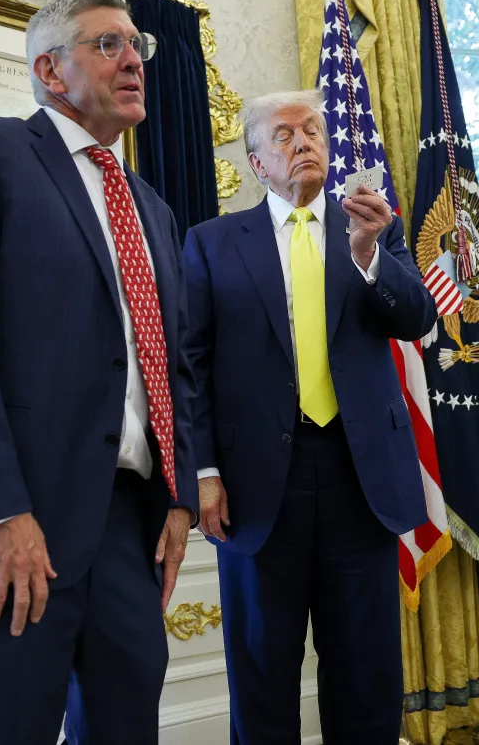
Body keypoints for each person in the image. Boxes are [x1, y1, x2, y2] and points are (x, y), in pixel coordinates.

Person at [0, 0, 199, 745]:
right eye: (108, 44)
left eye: (137, 46)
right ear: (50, 70)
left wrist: (177, 496)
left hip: (128, 529)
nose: (133, 60)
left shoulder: (153, 208)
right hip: (12, 526)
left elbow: (170, 362)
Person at [183, 90, 437, 744]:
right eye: (285, 134)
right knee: (262, 674)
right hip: (256, 485)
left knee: (366, 673)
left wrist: (369, 253)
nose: (304, 142)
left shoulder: (373, 226)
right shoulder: (211, 243)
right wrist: (204, 471)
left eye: (314, 131)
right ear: (257, 161)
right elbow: (191, 364)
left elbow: (416, 319)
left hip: (361, 477)